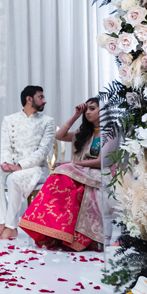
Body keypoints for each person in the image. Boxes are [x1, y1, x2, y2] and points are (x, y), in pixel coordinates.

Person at [19, 98, 103, 251]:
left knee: (64, 172)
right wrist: (76, 115)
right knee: (61, 175)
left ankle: (66, 234)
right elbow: (59, 135)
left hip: (100, 173)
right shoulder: (85, 133)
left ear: (102, 111)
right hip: (82, 172)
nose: (88, 112)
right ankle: (56, 231)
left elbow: (101, 162)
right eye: (87, 110)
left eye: (92, 109)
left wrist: (73, 164)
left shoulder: (110, 133)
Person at [0, 85, 55, 240]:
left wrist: (19, 167)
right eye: (40, 97)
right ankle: (2, 222)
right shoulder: (9, 120)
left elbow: (42, 152)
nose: (44, 101)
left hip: (37, 169)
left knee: (14, 178)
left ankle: (12, 226)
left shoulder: (47, 122)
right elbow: (6, 147)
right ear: (29, 99)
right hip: (13, 165)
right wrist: (6, 164)